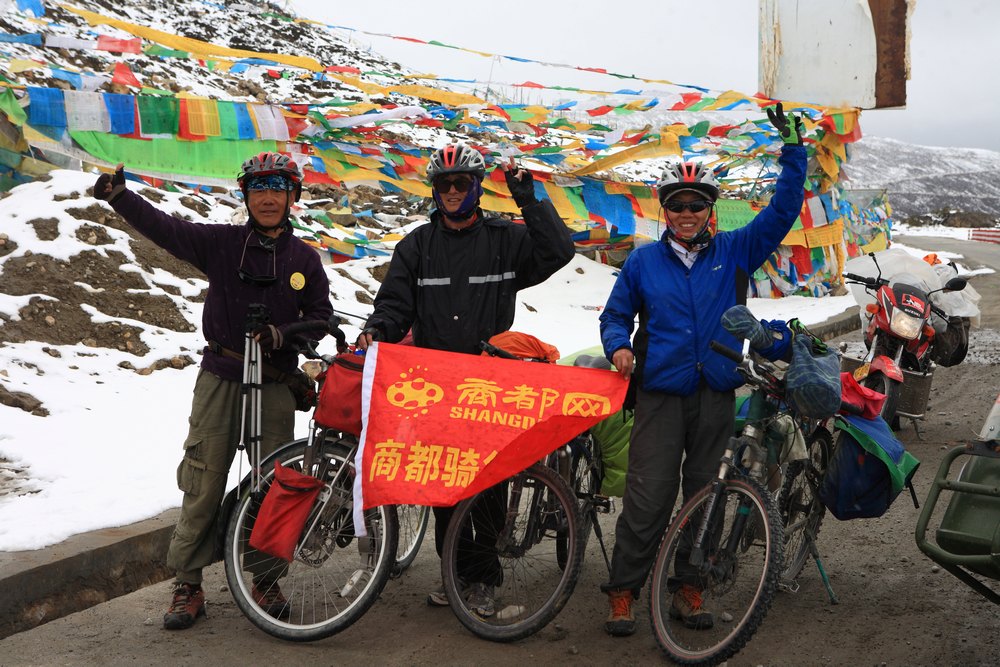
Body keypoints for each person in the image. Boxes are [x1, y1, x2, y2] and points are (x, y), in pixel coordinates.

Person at [93, 152, 334, 630]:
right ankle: (188, 584)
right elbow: (168, 229)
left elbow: (321, 317)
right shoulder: (222, 244)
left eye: (278, 188)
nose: (268, 197)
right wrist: (120, 197)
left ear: (292, 196)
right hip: (220, 376)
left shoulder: (305, 259)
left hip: (274, 383)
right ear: (246, 195)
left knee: (274, 485)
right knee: (202, 480)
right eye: (258, 188)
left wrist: (284, 334)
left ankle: (265, 579)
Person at [598, 103, 807, 637]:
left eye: (696, 204)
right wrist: (618, 347)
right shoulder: (643, 261)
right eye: (677, 204)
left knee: (706, 497)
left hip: (715, 392)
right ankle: (623, 591)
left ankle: (687, 589)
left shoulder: (736, 251)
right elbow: (616, 316)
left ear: (710, 209)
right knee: (647, 497)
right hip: (660, 394)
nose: (686, 212)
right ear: (665, 210)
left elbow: (783, 211)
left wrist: (794, 151)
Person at [355, 142, 574, 617]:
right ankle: (455, 573)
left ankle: (484, 579)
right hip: (435, 383)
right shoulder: (417, 245)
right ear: (434, 190)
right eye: (443, 184)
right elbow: (394, 305)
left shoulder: (505, 239)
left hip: (489, 382)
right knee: (443, 484)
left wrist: (528, 199)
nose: (452, 191)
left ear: (476, 188)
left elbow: (558, 251)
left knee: (488, 482)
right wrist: (377, 330)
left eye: (461, 183)